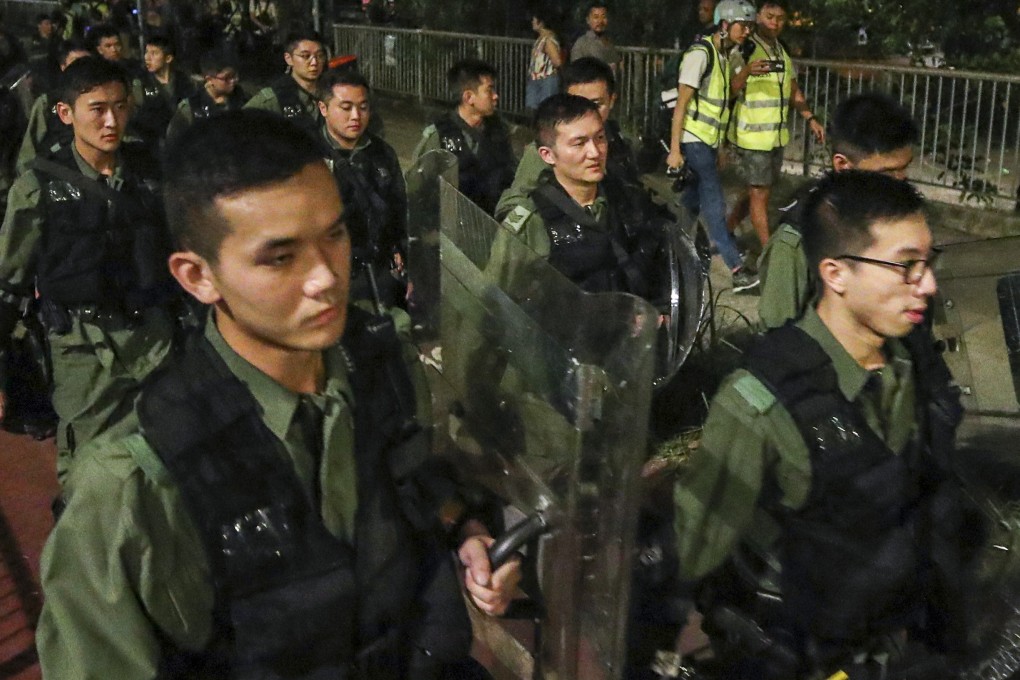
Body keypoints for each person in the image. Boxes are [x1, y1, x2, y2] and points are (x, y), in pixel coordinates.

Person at [36, 109, 520, 679]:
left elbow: (414, 478)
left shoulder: (380, 365)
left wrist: (467, 531)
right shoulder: (135, 488)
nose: (324, 278)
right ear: (198, 277)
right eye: (280, 257)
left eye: (335, 234)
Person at [674, 170, 964, 679]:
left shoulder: (904, 365)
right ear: (835, 274)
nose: (929, 284)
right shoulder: (759, 404)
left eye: (928, 262)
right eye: (905, 267)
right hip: (801, 650)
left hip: (889, 634)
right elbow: (696, 550)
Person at [0, 57, 177, 483]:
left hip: (155, 338)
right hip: (83, 348)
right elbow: (8, 284)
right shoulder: (39, 186)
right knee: (87, 473)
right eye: (97, 108)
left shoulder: (152, 173)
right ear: (66, 114)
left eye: (120, 106)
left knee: (169, 466)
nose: (111, 120)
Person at [758, 92, 919, 329]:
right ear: (843, 165)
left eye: (904, 169)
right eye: (888, 172)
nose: (900, 182)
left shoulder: (894, 220)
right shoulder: (798, 239)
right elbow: (776, 335)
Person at [491, 94, 665, 300]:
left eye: (600, 138)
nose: (594, 152)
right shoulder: (531, 221)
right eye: (579, 143)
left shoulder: (624, 199)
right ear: (548, 155)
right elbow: (492, 298)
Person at [665, 0, 758, 293]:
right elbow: (681, 105)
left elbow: (720, 106)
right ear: (724, 25)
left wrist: (720, 148)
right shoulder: (700, 54)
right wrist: (675, 149)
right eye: (742, 25)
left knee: (692, 202)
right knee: (714, 205)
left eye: (749, 26)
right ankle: (736, 268)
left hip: (706, 142)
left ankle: (670, 247)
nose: (746, 31)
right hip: (693, 141)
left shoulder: (723, 57)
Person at [726, 0, 825, 247]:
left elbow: (793, 90)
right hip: (752, 137)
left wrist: (810, 118)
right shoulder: (745, 49)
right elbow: (729, 90)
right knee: (761, 195)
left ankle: (724, 230)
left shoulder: (781, 50)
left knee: (756, 192)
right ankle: (769, 251)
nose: (775, 23)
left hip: (775, 137)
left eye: (780, 19)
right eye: (769, 16)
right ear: (758, 16)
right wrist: (747, 71)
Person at [496, 56, 640, 220]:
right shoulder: (547, 151)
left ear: (612, 100)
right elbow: (512, 205)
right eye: (578, 105)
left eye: (597, 104)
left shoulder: (621, 143)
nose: (588, 113)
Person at [316, 69, 407, 308]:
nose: (356, 116)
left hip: (379, 273)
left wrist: (404, 255)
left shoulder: (382, 153)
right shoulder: (307, 157)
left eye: (363, 107)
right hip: (328, 276)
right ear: (323, 109)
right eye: (345, 108)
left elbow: (400, 210)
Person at [412, 59, 516, 216]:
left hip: (493, 225)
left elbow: (513, 176)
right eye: (489, 90)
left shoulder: (500, 131)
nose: (495, 96)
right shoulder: (439, 135)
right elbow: (416, 187)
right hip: (453, 230)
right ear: (469, 97)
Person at [16, 39, 91, 173]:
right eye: (75, 62)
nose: (82, 68)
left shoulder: (107, 99)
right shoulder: (48, 102)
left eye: (87, 62)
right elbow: (29, 150)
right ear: (63, 66)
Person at [244, 30, 326, 138]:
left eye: (319, 56)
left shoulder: (330, 92)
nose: (314, 62)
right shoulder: (274, 98)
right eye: (305, 56)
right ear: (289, 59)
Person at [129, 34, 195, 155]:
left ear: (168, 58)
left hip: (184, 143)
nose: (147, 58)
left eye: (154, 53)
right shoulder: (140, 83)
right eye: (146, 52)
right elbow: (136, 115)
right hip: (153, 146)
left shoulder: (184, 80)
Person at [166, 49, 246, 142]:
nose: (233, 81)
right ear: (209, 79)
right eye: (227, 78)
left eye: (235, 76)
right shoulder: (191, 108)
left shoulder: (244, 99)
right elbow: (173, 143)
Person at [525, 8, 563, 111]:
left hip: (546, 79)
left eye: (534, 20)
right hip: (537, 79)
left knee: (546, 109)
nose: (532, 22)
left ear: (541, 22)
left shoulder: (548, 40)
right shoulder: (541, 39)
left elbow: (557, 61)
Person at [570, 2, 622, 75]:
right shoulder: (582, 43)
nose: (600, 21)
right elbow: (576, 69)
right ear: (588, 20)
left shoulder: (608, 42)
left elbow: (618, 64)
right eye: (596, 17)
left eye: (604, 17)